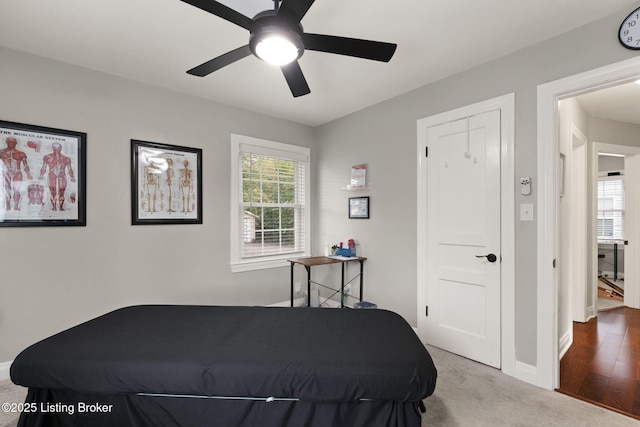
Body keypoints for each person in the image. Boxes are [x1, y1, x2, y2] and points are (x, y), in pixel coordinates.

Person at [38, 143, 76, 211]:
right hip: (52, 175)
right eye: (55, 148)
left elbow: (70, 169)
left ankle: (61, 207)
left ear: (61, 148)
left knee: (61, 192)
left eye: (58, 148)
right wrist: (41, 175)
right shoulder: (47, 157)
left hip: (62, 175)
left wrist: (72, 177)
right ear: (52, 148)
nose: (56, 150)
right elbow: (43, 167)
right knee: (52, 191)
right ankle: (54, 207)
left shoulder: (66, 158)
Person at [1, 136, 33, 210]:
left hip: (17, 172)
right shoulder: (1, 152)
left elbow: (25, 165)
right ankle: (8, 206)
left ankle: (16, 206)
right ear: (6, 142)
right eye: (9, 142)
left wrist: (28, 174)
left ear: (16, 143)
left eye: (12, 142)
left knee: (17, 190)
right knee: (6, 190)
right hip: (5, 172)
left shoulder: (21, 153)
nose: (11, 143)